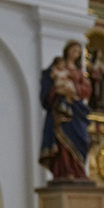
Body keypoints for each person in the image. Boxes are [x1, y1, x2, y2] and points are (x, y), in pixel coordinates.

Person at [39, 40, 92, 181]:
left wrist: (75, 90)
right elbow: (48, 85)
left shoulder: (79, 71)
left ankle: (78, 170)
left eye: (78, 50)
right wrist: (59, 90)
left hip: (76, 110)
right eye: (73, 49)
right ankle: (65, 171)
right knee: (62, 139)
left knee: (83, 139)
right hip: (60, 109)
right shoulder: (57, 67)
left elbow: (86, 89)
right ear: (67, 50)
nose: (75, 52)